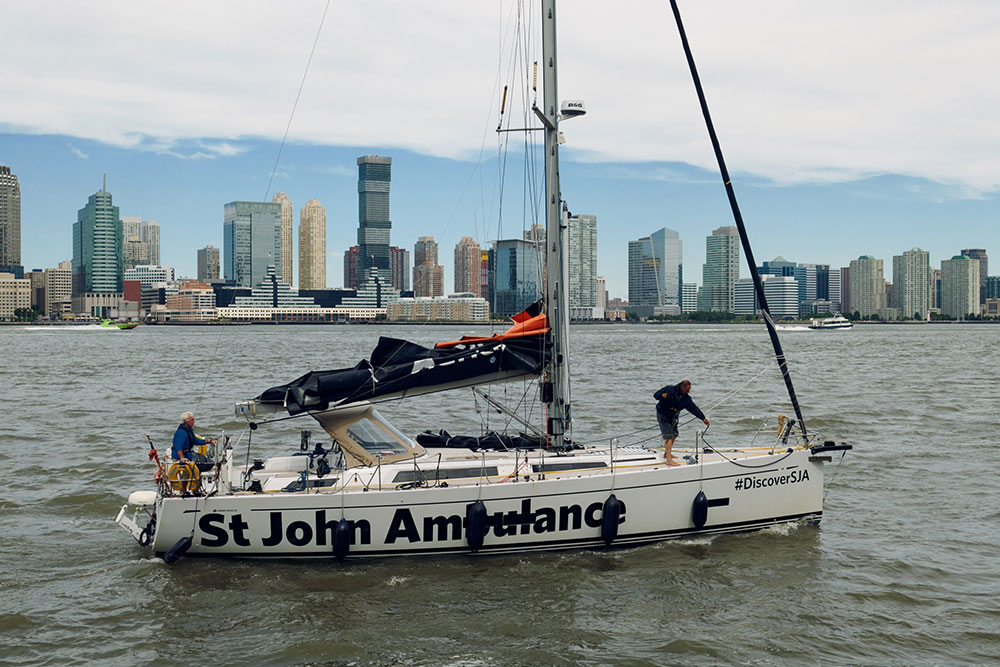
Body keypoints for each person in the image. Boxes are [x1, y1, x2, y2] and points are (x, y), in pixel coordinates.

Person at [653, 380, 710, 466]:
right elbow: (655, 395)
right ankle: (669, 460)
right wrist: (662, 396)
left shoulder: (686, 399)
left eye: (689, 390)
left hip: (673, 416)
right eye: (687, 390)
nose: (688, 391)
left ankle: (666, 453)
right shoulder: (669, 389)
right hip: (663, 414)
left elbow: (694, 408)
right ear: (682, 387)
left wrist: (703, 418)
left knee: (675, 434)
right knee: (669, 436)